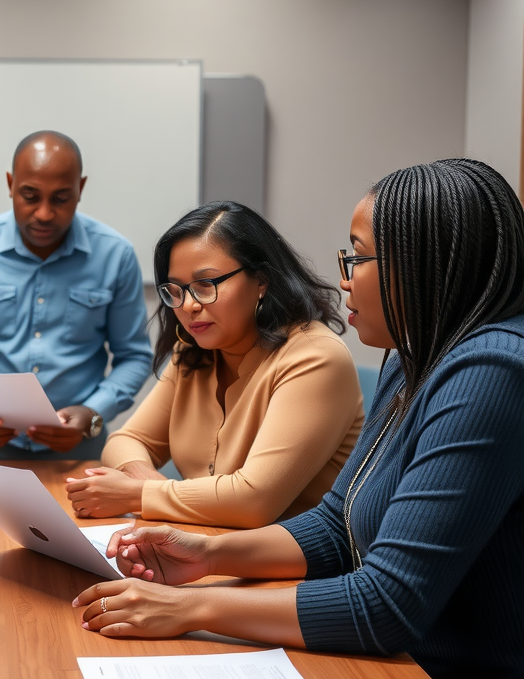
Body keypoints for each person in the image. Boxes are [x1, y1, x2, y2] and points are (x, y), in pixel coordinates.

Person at [73, 158, 524, 679]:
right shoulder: (411, 359)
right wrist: (209, 555)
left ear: (422, 264)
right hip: (383, 666)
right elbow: (338, 526)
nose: (343, 278)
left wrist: (192, 608)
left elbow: (387, 604)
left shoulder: (493, 373)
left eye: (357, 258)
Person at [65, 202, 363, 527]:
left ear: (261, 281)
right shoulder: (191, 352)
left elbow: (253, 501)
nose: (189, 305)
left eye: (206, 285)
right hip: (201, 550)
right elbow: (125, 441)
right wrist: (151, 487)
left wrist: (138, 495)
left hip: (294, 571)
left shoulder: (316, 356)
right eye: (175, 290)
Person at [0, 131, 152, 460]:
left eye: (61, 198)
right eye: (30, 196)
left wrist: (92, 413)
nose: (45, 213)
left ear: (81, 188)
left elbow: (134, 356)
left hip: (81, 450)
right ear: (10, 184)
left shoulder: (115, 255)